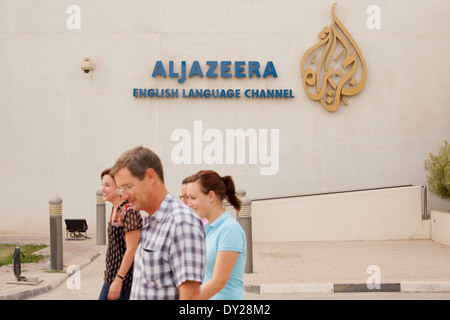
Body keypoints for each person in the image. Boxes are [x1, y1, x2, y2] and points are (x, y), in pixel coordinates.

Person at [110, 146, 205, 300]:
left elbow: (190, 296)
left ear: (150, 176)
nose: (124, 196)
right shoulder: (149, 220)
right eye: (121, 190)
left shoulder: (181, 223)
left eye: (127, 187)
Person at [186, 170, 246, 300]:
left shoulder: (229, 229)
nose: (188, 204)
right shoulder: (208, 228)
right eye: (187, 198)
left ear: (211, 196)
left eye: (193, 198)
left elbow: (219, 281)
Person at [98, 168, 142, 300]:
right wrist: (108, 274)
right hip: (112, 276)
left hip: (125, 281)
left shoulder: (129, 212)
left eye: (107, 185)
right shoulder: (115, 209)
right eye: (102, 184)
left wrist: (119, 278)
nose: (102, 189)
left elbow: (132, 249)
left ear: (119, 188)